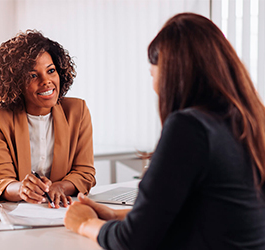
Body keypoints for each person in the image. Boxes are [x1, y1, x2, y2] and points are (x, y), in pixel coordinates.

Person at [64, 13, 265, 249]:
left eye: (153, 73)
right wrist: (115, 215)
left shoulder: (190, 127)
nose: (154, 86)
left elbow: (134, 242)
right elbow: (205, 214)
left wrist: (85, 223)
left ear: (172, 73)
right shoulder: (250, 120)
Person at [0, 30, 96, 209]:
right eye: (33, 75)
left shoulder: (77, 111)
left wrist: (60, 187)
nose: (46, 81)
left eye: (51, 71)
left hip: (59, 211)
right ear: (15, 83)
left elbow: (85, 173)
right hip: (11, 214)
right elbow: (0, 180)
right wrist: (21, 189)